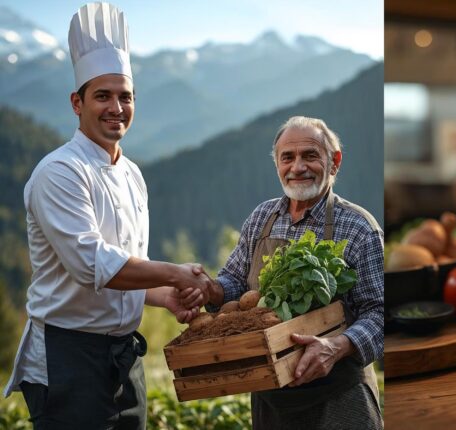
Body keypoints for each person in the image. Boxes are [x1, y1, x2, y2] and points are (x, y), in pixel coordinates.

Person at [3, 3, 212, 428]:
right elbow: (92, 264)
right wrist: (173, 273)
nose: (116, 107)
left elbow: (126, 265)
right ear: (76, 103)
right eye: (103, 96)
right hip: (68, 359)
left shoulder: (132, 174)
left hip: (124, 357)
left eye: (125, 96)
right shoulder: (59, 172)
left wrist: (164, 296)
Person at [206, 116, 384, 429]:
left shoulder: (359, 227)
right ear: (277, 163)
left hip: (339, 397)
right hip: (271, 398)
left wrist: (335, 347)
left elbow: (380, 313)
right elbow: (234, 281)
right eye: (287, 157)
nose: (297, 167)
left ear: (334, 162)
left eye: (310, 156)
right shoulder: (262, 217)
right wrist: (210, 291)